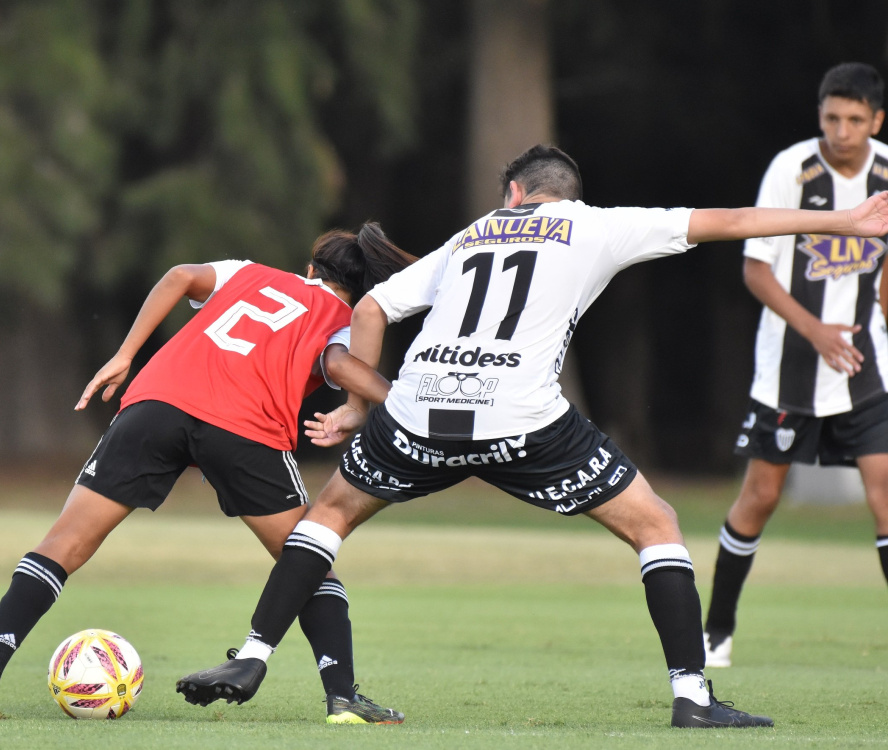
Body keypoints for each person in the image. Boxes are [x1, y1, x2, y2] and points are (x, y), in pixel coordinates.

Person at [175, 144, 888, 729]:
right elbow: (729, 220)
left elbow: (371, 305)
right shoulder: (599, 225)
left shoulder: (473, 233)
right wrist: (847, 224)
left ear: (514, 192)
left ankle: (255, 653)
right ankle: (693, 697)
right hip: (521, 418)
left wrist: (362, 408)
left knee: (328, 516)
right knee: (657, 525)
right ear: (564, 193)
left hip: (420, 410)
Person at [0, 223, 416, 725]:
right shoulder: (343, 319)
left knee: (63, 544)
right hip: (245, 427)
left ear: (310, 269)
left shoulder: (250, 273)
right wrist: (407, 404)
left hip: (158, 404)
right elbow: (341, 368)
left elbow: (180, 276)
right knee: (311, 562)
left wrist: (125, 355)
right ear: (357, 291)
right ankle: (342, 698)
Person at [703, 62, 888, 669]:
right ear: (820, 116)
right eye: (832, 117)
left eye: (856, 119)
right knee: (760, 495)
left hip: (865, 366)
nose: (842, 129)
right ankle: (717, 631)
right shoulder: (792, 170)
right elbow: (756, 270)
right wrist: (817, 333)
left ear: (876, 121)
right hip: (788, 366)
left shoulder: (886, 174)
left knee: (884, 495)